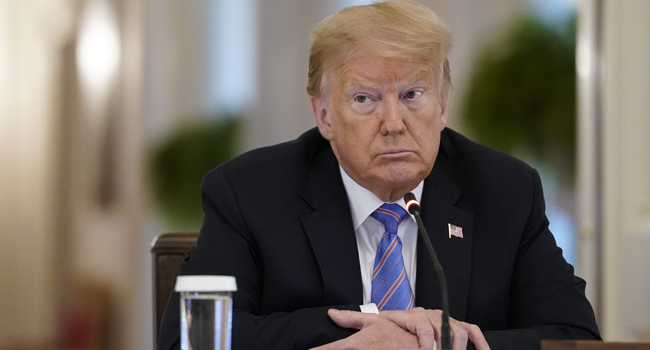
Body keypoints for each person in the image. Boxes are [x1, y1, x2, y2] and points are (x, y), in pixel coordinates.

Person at [158, 1, 600, 349]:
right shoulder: (250, 193)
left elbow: (574, 337)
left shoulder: (505, 191)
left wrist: (437, 344)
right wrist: (365, 332)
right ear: (323, 114)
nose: (393, 122)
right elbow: (189, 340)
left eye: (412, 94)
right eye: (365, 99)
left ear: (443, 105)